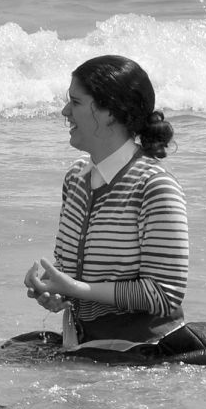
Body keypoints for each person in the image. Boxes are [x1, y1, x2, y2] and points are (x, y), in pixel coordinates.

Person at [23, 55, 188, 352]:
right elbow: (72, 275)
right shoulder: (75, 178)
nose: (65, 111)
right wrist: (57, 291)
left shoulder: (154, 186)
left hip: (144, 353)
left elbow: (165, 294)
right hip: (84, 346)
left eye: (75, 102)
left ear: (109, 112)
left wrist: (75, 288)